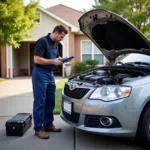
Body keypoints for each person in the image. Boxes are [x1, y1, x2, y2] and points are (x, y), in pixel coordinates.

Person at [32, 25, 68, 139]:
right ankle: (38, 129)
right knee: (40, 101)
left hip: (50, 74)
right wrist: (53, 61)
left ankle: (48, 124)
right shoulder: (42, 41)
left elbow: (55, 57)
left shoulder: (56, 44)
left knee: (50, 101)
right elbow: (37, 59)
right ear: (56, 33)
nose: (62, 39)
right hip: (40, 73)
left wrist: (60, 59)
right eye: (61, 36)